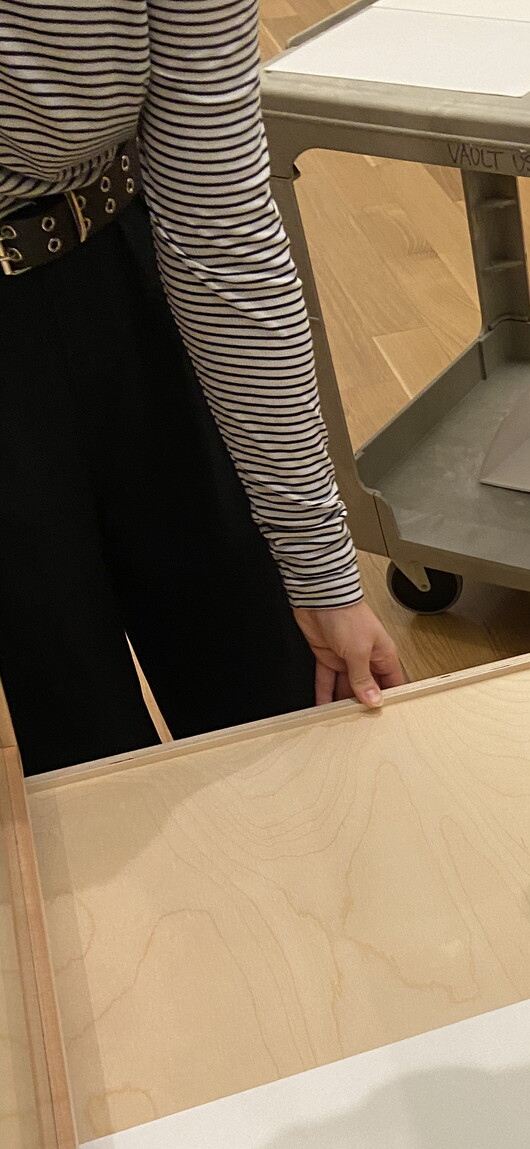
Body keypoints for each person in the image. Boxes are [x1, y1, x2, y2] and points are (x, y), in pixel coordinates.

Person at [0, 0, 405, 776]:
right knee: (76, 739)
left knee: (274, 690)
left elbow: (219, 215)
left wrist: (323, 568)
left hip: (116, 240)